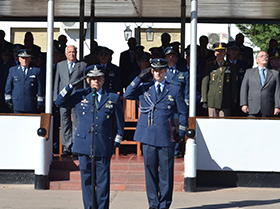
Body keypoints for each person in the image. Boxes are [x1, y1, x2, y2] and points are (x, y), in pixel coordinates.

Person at [55, 65, 124, 209]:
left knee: (103, 181)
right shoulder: (81, 94)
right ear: (88, 81)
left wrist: (118, 138)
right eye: (92, 79)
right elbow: (59, 102)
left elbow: (119, 122)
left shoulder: (113, 97)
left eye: (98, 79)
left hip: (103, 144)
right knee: (86, 180)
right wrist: (69, 86)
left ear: (103, 80)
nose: (96, 82)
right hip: (84, 143)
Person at [124, 58, 188, 209]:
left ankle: (164, 204)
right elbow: (127, 94)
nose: (157, 73)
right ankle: (153, 204)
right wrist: (139, 77)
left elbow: (182, 112)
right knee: (150, 173)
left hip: (166, 135)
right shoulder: (144, 87)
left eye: (160, 70)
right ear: (151, 71)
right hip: (148, 135)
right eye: (154, 70)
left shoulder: (174, 89)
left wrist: (181, 131)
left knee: (166, 173)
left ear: (165, 71)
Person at [54, 45, 88, 156]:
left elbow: (84, 84)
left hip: (77, 98)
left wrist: (84, 98)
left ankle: (75, 146)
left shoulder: (82, 65)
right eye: (69, 52)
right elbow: (56, 83)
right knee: (64, 122)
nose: (71, 54)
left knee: (77, 122)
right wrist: (56, 98)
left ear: (76, 53)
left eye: (73, 52)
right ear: (65, 53)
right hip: (63, 99)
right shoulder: (60, 65)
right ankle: (66, 146)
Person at [240, 51, 280, 117]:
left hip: (268, 108)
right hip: (252, 107)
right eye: (262, 56)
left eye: (266, 56)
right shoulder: (249, 72)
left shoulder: (274, 74)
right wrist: (244, 104)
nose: (264, 57)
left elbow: (278, 91)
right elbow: (244, 89)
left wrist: (277, 106)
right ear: (257, 60)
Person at [201, 43, 238, 117]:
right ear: (215, 53)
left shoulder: (231, 66)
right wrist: (205, 100)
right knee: (212, 124)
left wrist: (234, 100)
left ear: (225, 53)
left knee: (224, 124)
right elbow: (205, 84)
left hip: (226, 100)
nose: (220, 53)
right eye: (218, 51)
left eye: (222, 51)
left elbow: (234, 85)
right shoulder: (209, 66)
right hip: (212, 100)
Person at [5, 49, 44, 114]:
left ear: (30, 59)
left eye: (27, 58)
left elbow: (40, 87)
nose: (24, 60)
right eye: (22, 58)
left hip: (31, 104)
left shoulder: (36, 71)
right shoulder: (13, 70)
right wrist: (8, 100)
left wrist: (40, 102)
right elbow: (8, 86)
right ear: (19, 59)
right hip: (17, 103)